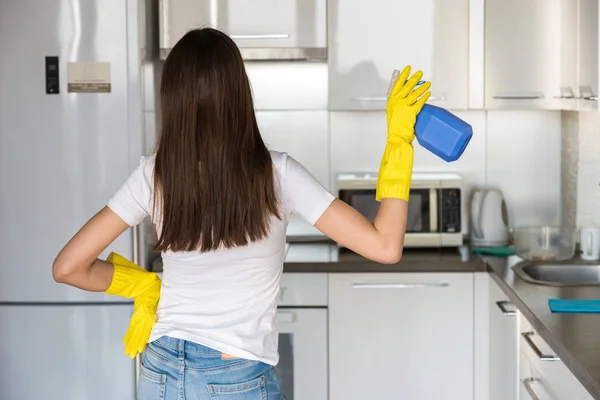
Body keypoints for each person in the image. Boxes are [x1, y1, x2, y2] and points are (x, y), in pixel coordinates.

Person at [52, 27, 430, 400]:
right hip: (235, 375)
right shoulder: (277, 173)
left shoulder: (153, 175)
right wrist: (399, 144)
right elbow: (385, 247)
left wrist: (143, 285)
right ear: (239, 94)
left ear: (173, 99)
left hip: (160, 371)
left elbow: (68, 267)